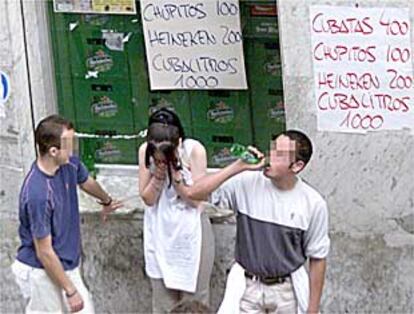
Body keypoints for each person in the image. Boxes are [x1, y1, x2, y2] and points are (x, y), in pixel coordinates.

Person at [176, 130, 330, 314]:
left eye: (279, 154)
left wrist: (312, 311)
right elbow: (194, 193)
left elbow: (318, 258)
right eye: (272, 149)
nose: (270, 156)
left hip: (286, 290)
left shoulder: (312, 203)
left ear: (296, 166)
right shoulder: (246, 183)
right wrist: (238, 166)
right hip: (247, 287)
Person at [11, 115, 122, 313]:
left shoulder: (69, 164)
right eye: (69, 144)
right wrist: (70, 291)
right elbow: (44, 252)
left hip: (66, 264)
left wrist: (107, 201)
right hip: (41, 271)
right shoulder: (38, 195)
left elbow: (87, 182)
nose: (73, 150)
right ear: (53, 151)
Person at [138, 108, 215, 313]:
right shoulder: (145, 150)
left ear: (178, 142)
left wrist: (177, 174)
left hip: (191, 231)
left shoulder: (194, 150)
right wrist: (159, 175)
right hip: (160, 229)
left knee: (195, 301)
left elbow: (196, 199)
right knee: (163, 303)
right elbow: (147, 198)